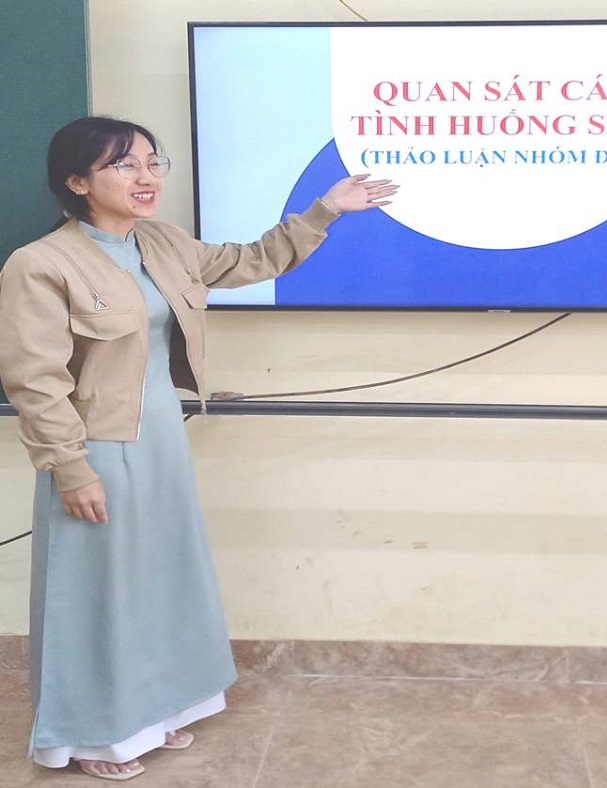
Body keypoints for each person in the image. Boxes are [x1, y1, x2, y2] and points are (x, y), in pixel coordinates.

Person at [0, 116, 397, 781]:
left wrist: (325, 210)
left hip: (161, 437)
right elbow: (35, 380)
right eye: (124, 165)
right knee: (99, 590)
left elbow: (250, 261)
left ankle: (155, 712)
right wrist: (70, 468)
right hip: (98, 447)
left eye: (152, 162)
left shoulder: (162, 242)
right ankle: (94, 735)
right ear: (77, 182)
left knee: (160, 578)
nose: (146, 177)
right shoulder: (40, 264)